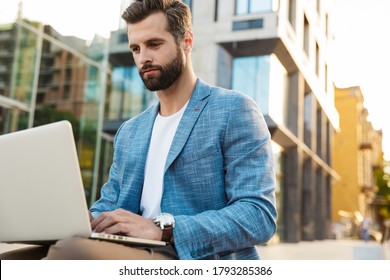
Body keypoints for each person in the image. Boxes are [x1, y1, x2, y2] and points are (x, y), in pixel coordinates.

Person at [0, 0, 277, 260]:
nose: (143, 57)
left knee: (71, 252)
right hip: (133, 248)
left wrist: (164, 229)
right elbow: (110, 203)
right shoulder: (130, 132)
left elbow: (258, 215)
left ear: (187, 41)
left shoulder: (233, 110)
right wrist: (86, 219)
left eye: (154, 44)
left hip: (191, 256)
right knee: (17, 257)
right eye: (136, 48)